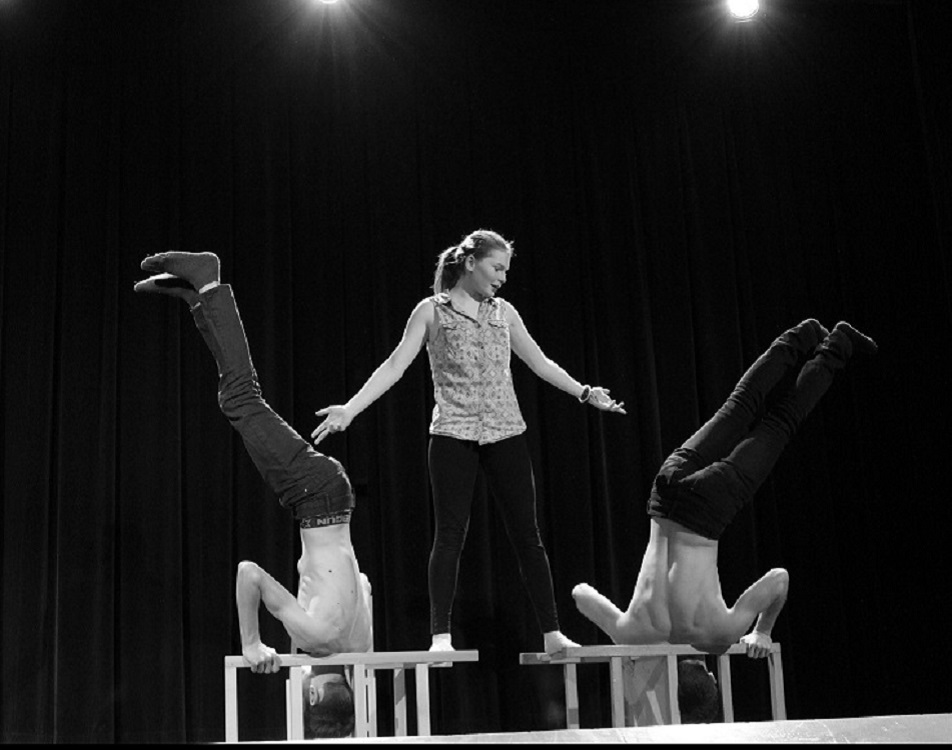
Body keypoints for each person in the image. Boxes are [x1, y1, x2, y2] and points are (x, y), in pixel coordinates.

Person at [311, 229, 626, 655]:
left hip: (505, 432)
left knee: (527, 535)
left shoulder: (505, 314)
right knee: (450, 536)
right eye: (497, 268)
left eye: (506, 271)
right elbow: (394, 365)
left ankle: (552, 633)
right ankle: (441, 636)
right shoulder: (432, 312)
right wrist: (350, 408)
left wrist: (585, 392)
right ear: (472, 262)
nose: (503, 278)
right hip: (453, 435)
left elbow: (540, 362)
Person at [571, 318, 877, 720]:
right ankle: (801, 335)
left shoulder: (718, 636)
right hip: (663, 500)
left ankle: (838, 345)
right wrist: (623, 652)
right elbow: (579, 593)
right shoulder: (633, 633)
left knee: (779, 423)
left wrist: (762, 631)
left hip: (708, 512)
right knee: (739, 405)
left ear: (711, 678)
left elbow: (780, 578)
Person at [133, 251, 373, 697]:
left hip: (329, 498)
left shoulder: (352, 646)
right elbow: (249, 573)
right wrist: (252, 642)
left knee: (237, 401)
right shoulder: (317, 640)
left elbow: (363, 584)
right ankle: (208, 282)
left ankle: (195, 300)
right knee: (242, 398)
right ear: (316, 691)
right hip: (313, 495)